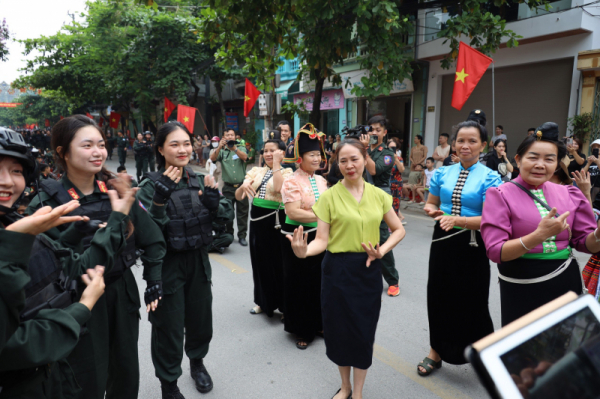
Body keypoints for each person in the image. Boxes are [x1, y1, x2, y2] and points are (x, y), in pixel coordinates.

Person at [27, 115, 167, 399]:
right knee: (85, 379)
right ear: (62, 152)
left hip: (121, 294)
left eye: (101, 145)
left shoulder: (118, 191)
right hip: (76, 300)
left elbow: (153, 239)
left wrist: (154, 279)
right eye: (87, 145)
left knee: (126, 375)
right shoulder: (47, 203)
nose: (97, 152)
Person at [287, 139, 405, 399]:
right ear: (336, 164)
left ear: (365, 159)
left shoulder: (380, 196)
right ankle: (345, 386)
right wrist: (303, 251)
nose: (349, 165)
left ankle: (359, 391)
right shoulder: (329, 197)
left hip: (368, 269)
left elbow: (399, 229)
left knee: (363, 331)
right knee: (338, 330)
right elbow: (321, 240)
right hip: (337, 271)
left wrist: (382, 251)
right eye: (343, 161)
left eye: (354, 159)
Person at [481, 122, 599, 326]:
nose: (540, 164)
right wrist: (538, 236)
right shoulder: (500, 195)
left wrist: (598, 235)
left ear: (557, 164)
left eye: (549, 159)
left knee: (565, 348)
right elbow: (495, 251)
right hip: (522, 285)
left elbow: (584, 244)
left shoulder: (569, 193)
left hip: (565, 282)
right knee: (526, 351)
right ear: (518, 159)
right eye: (533, 157)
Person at [137, 121, 220, 398]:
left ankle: (197, 364)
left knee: (200, 319)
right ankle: (169, 384)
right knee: (168, 327)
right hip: (167, 264)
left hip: (197, 261)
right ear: (160, 149)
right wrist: (159, 201)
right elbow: (147, 233)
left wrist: (214, 203)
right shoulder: (150, 186)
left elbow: (222, 219)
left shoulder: (197, 178)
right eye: (174, 144)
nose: (183, 149)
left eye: (186, 143)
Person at [418, 120, 501, 376]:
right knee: (439, 295)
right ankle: (436, 350)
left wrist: (458, 220)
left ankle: (483, 352)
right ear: (453, 144)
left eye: (472, 141)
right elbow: (431, 204)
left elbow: (491, 218)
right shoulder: (443, 172)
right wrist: (432, 211)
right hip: (442, 240)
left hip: (473, 244)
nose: (465, 146)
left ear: (483, 146)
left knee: (473, 300)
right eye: (461, 140)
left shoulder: (491, 177)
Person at [280, 123, 328, 349]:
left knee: (319, 282)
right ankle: (301, 329)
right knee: (299, 284)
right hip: (298, 237)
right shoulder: (291, 180)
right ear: (300, 157)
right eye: (312, 154)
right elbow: (293, 211)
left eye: (319, 154)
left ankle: (318, 323)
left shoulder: (321, 180)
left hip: (321, 237)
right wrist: (324, 219)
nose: (317, 159)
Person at [236, 131, 292, 317]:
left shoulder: (287, 172)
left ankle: (285, 305)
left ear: (282, 153)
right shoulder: (255, 171)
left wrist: (276, 163)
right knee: (260, 263)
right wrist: (243, 187)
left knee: (280, 263)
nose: (268, 153)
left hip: (278, 220)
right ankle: (263, 301)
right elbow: (239, 196)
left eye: (272, 151)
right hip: (257, 221)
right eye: (265, 150)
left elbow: (278, 188)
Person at [359, 116, 401, 297]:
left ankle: (393, 281)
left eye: (378, 130)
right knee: (361, 234)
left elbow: (374, 170)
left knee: (383, 238)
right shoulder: (363, 149)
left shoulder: (388, 154)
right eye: (371, 129)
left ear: (384, 132)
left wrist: (365, 151)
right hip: (362, 195)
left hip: (380, 197)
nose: (373, 133)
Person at [210, 128, 249, 246]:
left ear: (235, 137)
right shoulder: (222, 150)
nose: (230, 137)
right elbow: (212, 159)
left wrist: (235, 149)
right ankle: (229, 234)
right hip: (228, 187)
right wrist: (219, 147)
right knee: (228, 212)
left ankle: (242, 236)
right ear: (224, 137)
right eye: (228, 135)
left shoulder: (241, 148)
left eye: (232, 135)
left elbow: (245, 157)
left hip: (241, 187)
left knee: (242, 213)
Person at [387, 139, 406, 225]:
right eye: (390, 147)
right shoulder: (384, 158)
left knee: (395, 204)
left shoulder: (398, 158)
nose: (392, 149)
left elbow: (402, 170)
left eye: (393, 148)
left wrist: (395, 159)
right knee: (386, 204)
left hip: (396, 184)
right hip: (386, 183)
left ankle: (393, 224)